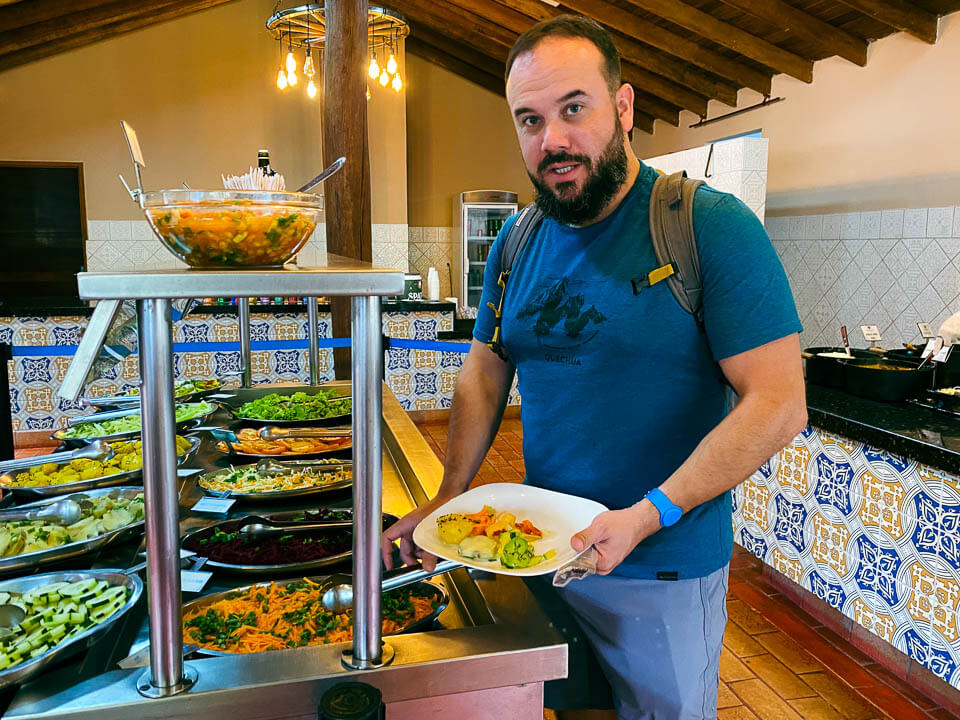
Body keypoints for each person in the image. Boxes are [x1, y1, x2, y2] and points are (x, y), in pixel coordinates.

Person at [382, 15, 807, 720]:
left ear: (624, 106)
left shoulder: (707, 226)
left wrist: (647, 515)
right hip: (544, 560)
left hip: (659, 569)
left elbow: (779, 403)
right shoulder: (518, 241)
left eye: (572, 108)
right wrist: (448, 498)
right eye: (529, 120)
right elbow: (486, 368)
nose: (552, 140)